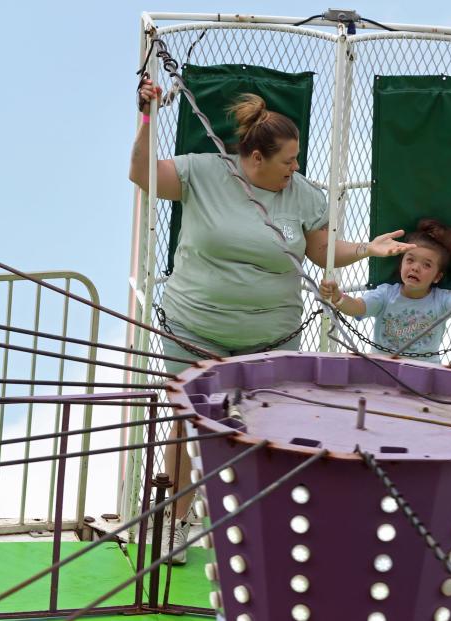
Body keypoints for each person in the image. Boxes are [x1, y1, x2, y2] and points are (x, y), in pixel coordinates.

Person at [129, 80, 415, 563]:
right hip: (192, 327)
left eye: (297, 158)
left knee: (268, 428)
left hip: (271, 336)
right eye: (288, 160)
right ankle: (174, 521)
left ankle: (256, 527)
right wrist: (147, 119)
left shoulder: (303, 195)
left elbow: (322, 251)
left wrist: (369, 248)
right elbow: (142, 175)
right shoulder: (202, 172)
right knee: (187, 423)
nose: (296, 167)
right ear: (255, 158)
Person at [320, 218, 451, 363]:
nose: (415, 268)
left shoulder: (441, 300)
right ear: (401, 264)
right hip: (381, 370)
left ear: (438, 276)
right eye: (410, 260)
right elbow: (358, 307)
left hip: (425, 375)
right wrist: (338, 297)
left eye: (426, 265)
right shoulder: (386, 294)